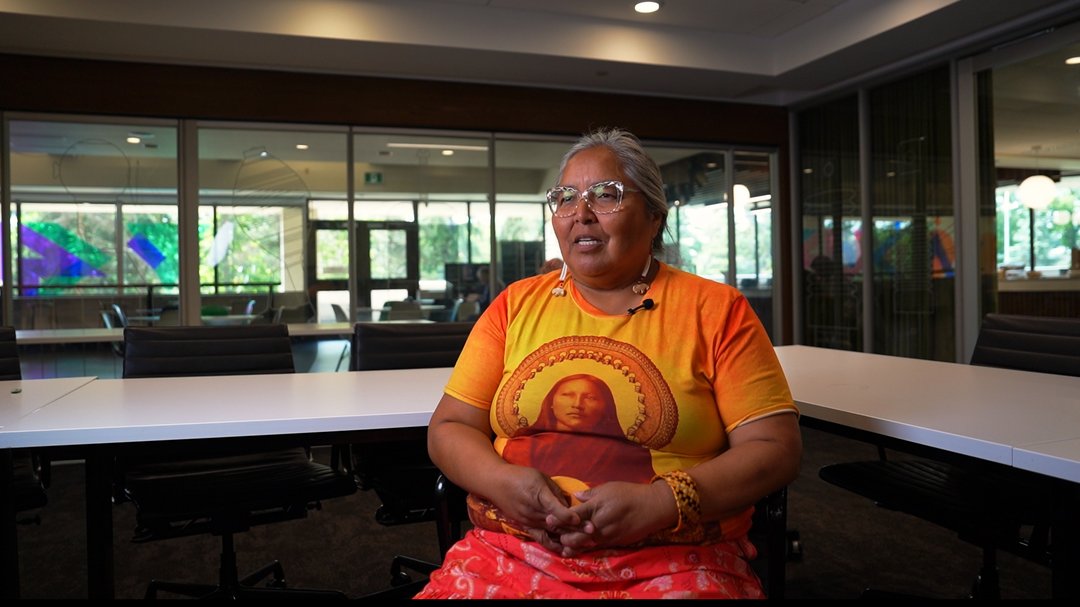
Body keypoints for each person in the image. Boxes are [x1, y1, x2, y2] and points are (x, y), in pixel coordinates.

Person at [419, 127, 801, 599]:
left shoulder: (715, 310)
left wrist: (662, 501)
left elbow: (775, 446)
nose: (580, 214)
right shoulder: (514, 305)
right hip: (510, 550)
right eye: (564, 198)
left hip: (672, 559)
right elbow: (449, 427)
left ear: (654, 216)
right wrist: (504, 482)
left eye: (606, 195)